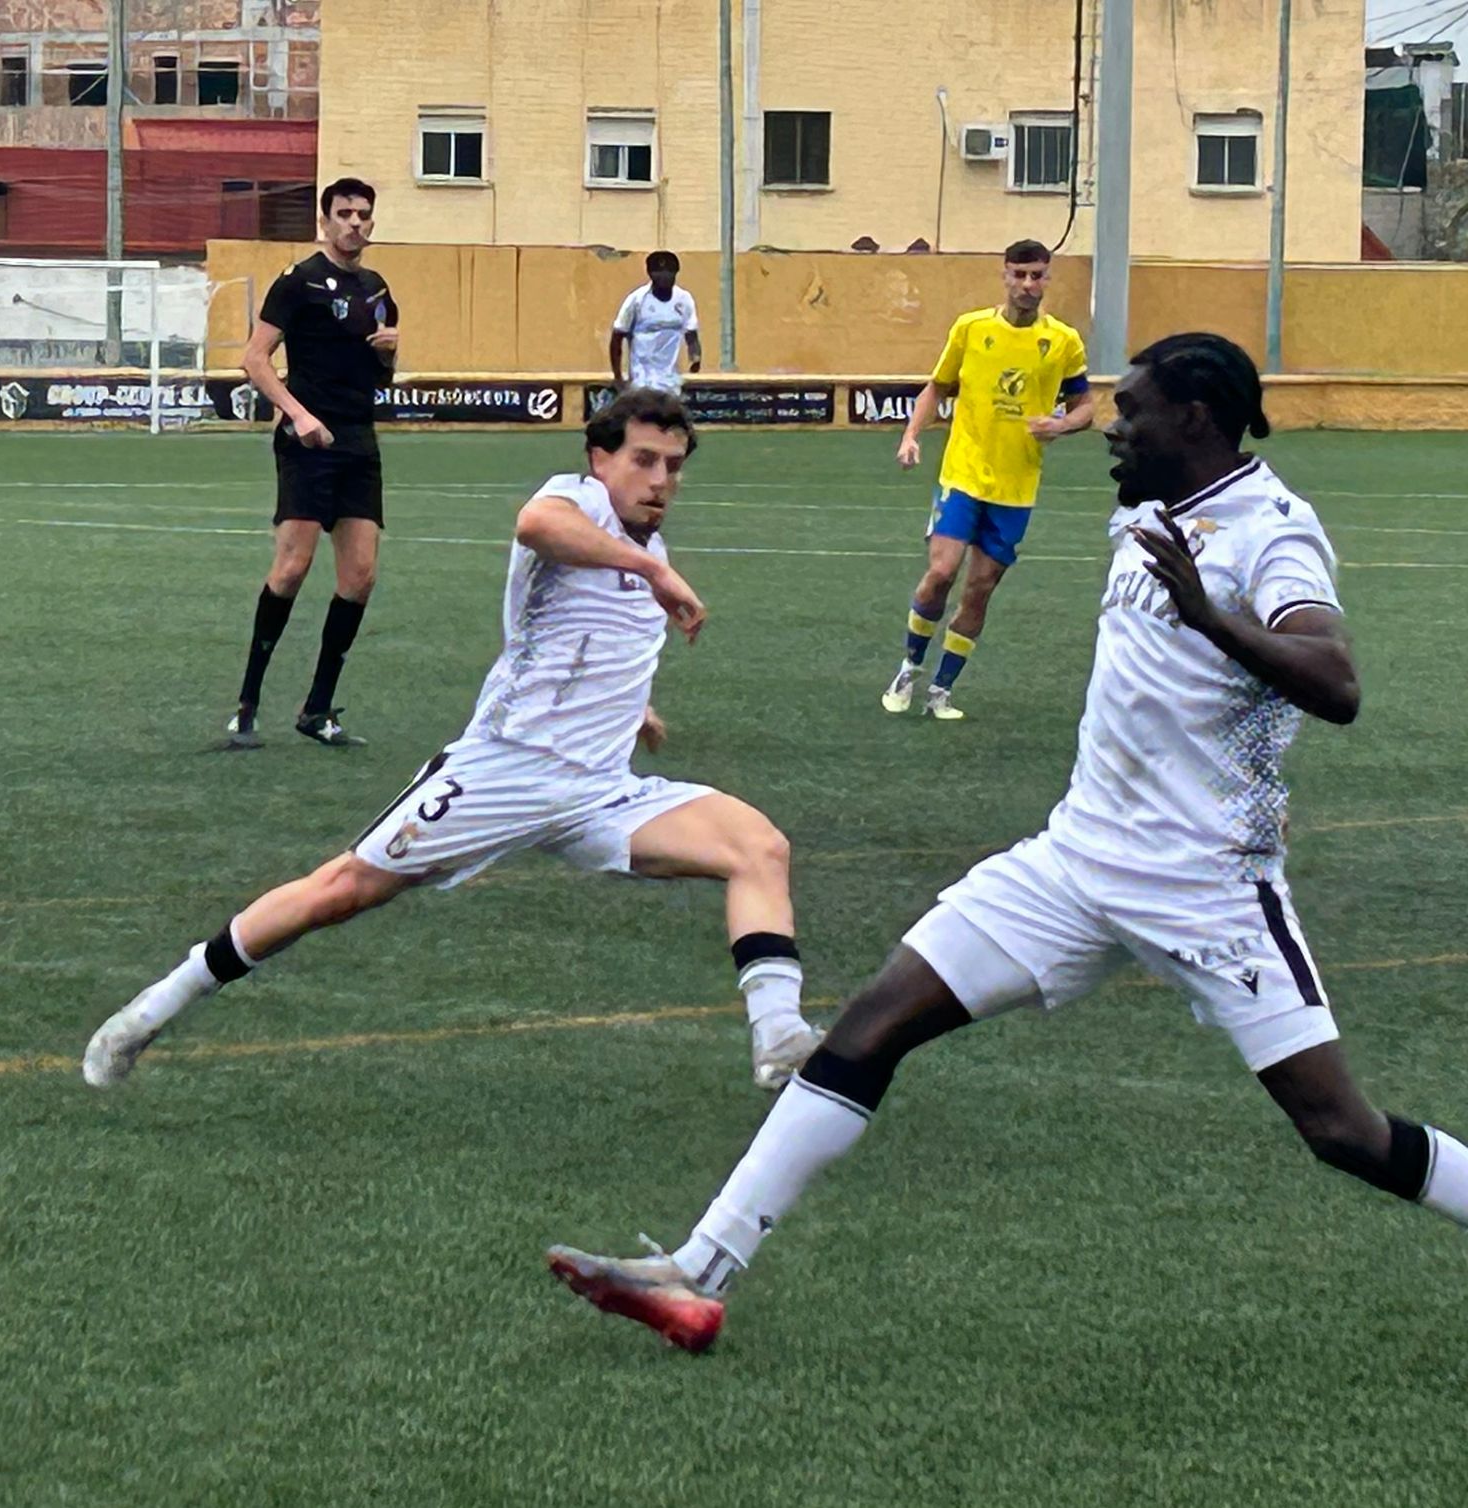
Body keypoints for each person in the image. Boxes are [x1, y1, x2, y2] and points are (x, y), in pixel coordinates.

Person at [547, 333, 1468, 1358]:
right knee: (869, 1025)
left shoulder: (1272, 530)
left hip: (1202, 883)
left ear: (1196, 420)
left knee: (1340, 1130)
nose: (1108, 427)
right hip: (1072, 861)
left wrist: (1210, 618)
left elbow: (1334, 681)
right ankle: (696, 1274)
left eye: (1132, 411)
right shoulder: (1145, 511)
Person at [87, 388, 822, 1096]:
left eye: (674, 465)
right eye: (644, 460)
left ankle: (779, 1038)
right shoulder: (581, 503)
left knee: (758, 847)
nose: (660, 480)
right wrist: (652, 568)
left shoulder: (641, 542)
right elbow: (535, 523)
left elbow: (584, 640)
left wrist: (636, 706)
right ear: (599, 459)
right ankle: (152, 1009)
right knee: (341, 890)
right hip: (503, 771)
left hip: (602, 791)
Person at [881, 239, 1094, 720]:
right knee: (941, 572)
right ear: (1004, 276)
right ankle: (909, 667)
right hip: (963, 473)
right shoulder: (971, 328)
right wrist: (911, 435)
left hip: (1016, 487)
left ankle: (942, 689)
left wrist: (1061, 425)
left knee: (979, 588)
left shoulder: (1063, 341)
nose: (1027, 284)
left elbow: (1085, 407)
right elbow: (937, 386)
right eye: (1019, 274)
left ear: (1047, 278)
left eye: (1036, 275)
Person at [228, 176, 399, 750]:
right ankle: (247, 704)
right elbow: (255, 360)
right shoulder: (297, 281)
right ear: (324, 221)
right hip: (306, 443)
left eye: (363, 215)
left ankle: (317, 709)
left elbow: (380, 376)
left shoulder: (377, 290)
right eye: (345, 214)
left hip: (358, 442)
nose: (355, 223)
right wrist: (298, 415)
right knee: (291, 569)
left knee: (360, 576)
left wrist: (390, 355)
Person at [609, 250, 701, 395]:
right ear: (650, 274)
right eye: (659, 272)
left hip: (671, 385)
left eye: (669, 272)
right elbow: (617, 337)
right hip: (641, 383)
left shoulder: (684, 299)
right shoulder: (637, 299)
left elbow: (691, 336)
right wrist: (618, 377)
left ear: (675, 273)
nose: (664, 277)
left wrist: (695, 361)